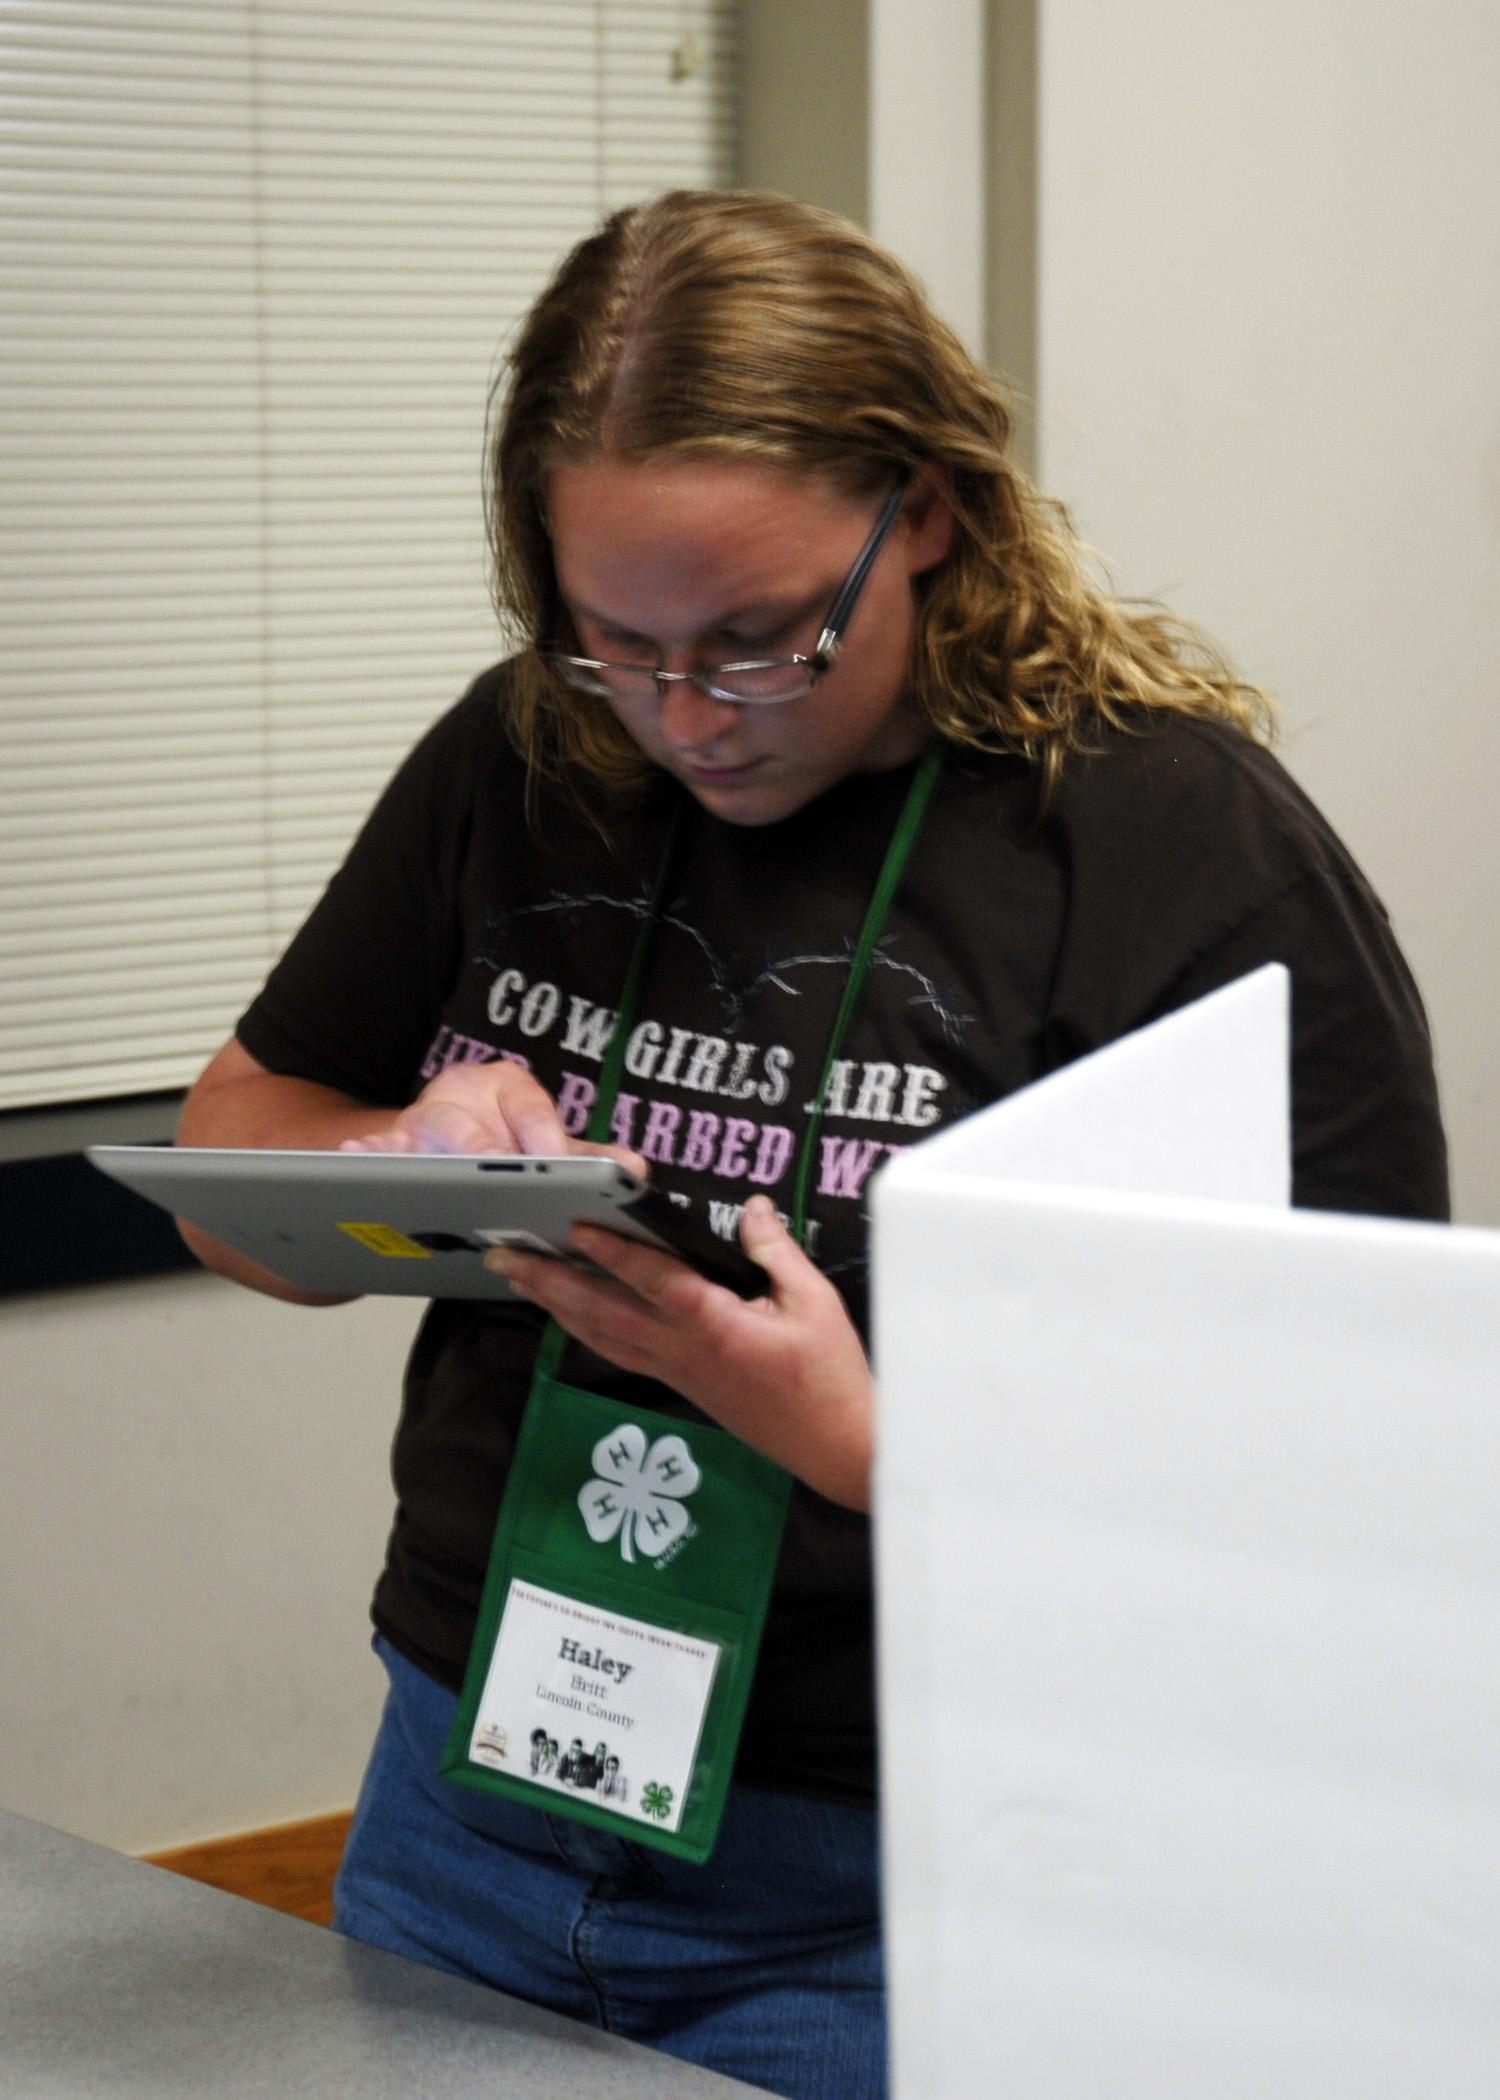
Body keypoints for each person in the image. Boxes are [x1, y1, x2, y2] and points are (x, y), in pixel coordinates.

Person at [176, 188, 1448, 2099]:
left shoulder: (1172, 848)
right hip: (471, 1791)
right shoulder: (526, 757)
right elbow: (239, 1166)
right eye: (621, 640)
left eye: (764, 640)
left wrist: (863, 1442)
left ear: (923, 508)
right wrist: (409, 1155)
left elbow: (1362, 1468)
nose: (689, 717)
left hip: (898, 1878)